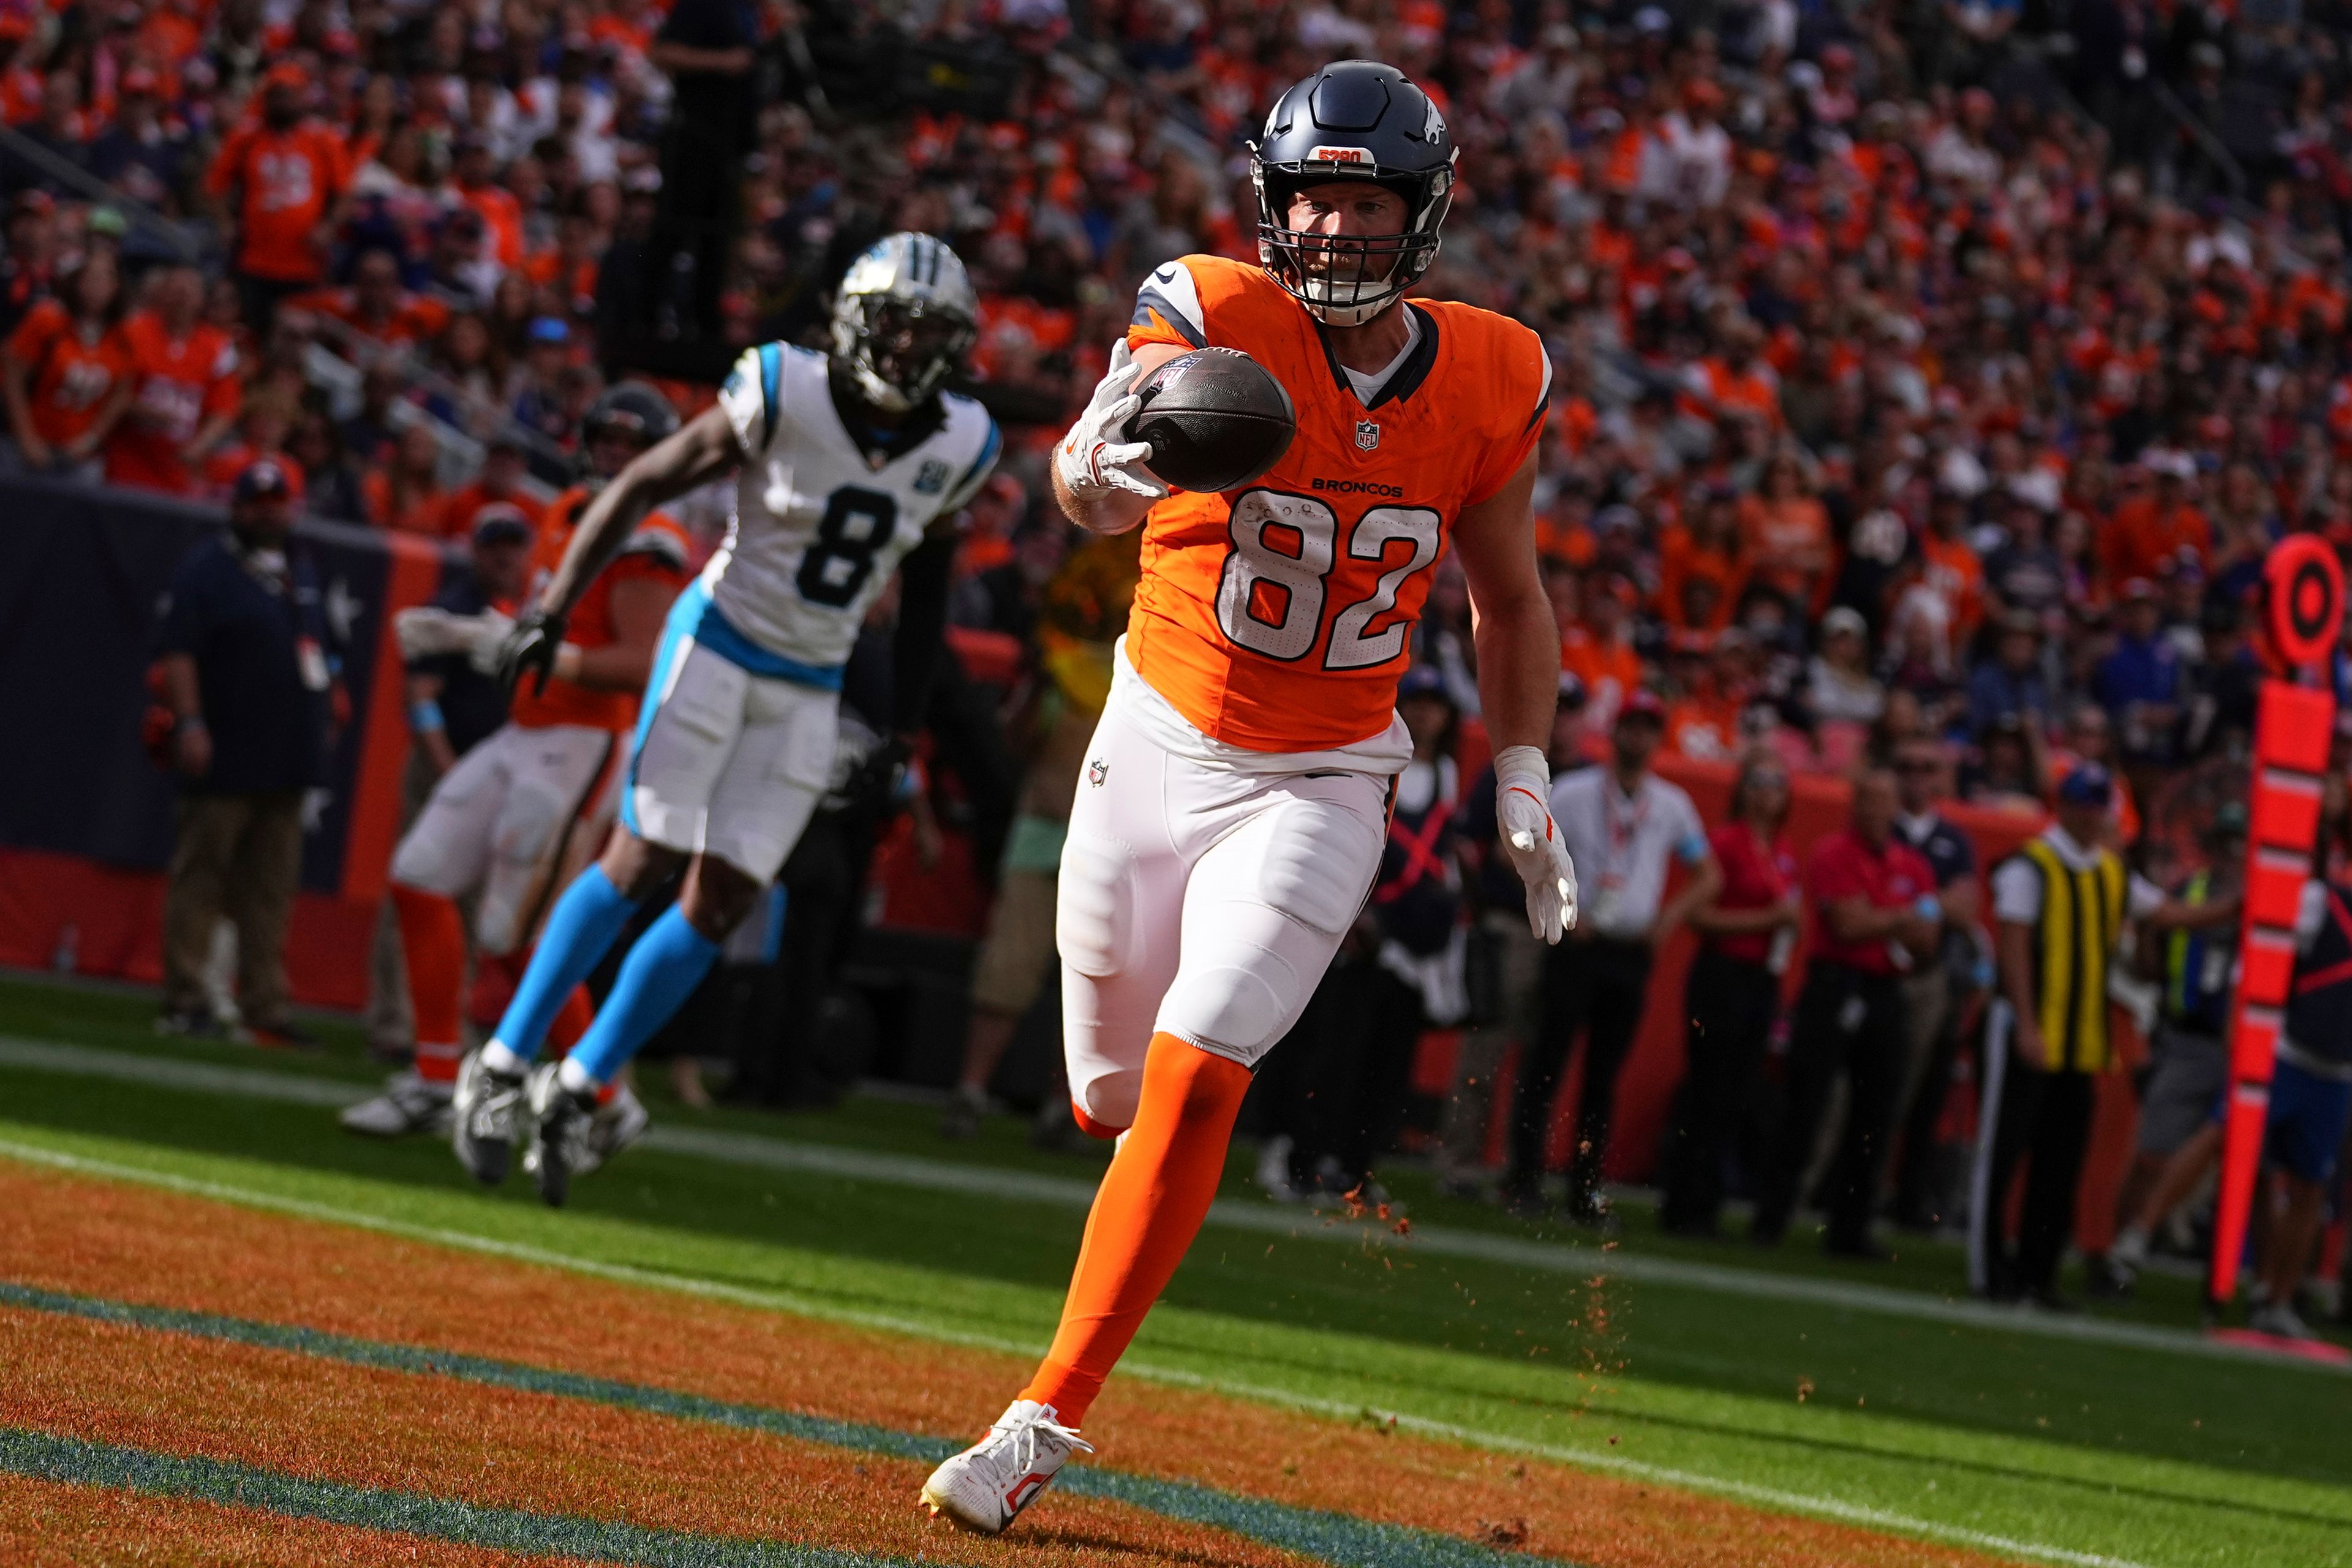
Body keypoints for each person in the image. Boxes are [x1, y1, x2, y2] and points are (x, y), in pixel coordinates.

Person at [919, 64, 1576, 1536]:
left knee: (1200, 1072)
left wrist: (1521, 767)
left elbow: (1512, 598)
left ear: (1421, 214)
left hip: (1326, 772)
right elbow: (1091, 475)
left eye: (1368, 201)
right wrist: (1100, 458)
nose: (1338, 229)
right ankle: (1116, 1193)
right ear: (1273, 206)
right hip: (1153, 738)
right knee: (1105, 1093)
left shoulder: (1490, 371)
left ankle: (1038, 1419)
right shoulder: (1211, 307)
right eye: (1317, 198)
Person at [453, 233, 998, 1204]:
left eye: (932, 336)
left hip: (809, 680)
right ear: (852, 323)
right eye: (897, 328)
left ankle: (583, 1085)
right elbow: (643, 481)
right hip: (717, 641)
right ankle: (499, 1062)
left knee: (726, 898)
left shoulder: (960, 442)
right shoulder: (782, 385)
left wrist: (908, 731)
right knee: (642, 858)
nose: (911, 352)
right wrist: (552, 603)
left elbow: (927, 588)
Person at [357, 385, 692, 1139]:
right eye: (603, 436)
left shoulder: (650, 535)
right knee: (419, 878)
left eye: (628, 443)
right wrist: (468, 632)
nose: (611, 452)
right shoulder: (572, 503)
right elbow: (544, 618)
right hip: (523, 732)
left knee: (512, 936)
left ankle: (606, 1099)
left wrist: (529, 652)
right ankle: (438, 1077)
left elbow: (642, 662)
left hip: (581, 746)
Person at [2113, 868, 2352, 1339]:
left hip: (2338, 1069)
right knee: (2223, 1132)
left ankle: (2278, 1298)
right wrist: (2241, 1026)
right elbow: (2263, 956)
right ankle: (2138, 1235)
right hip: (2286, 1050)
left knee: (2310, 1183)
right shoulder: (2324, 900)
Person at [346, 507, 535, 1104]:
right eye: (495, 546)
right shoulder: (453, 606)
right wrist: (450, 767)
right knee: (419, 887)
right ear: (475, 552)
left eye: (514, 546)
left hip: (503, 773)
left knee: (481, 905)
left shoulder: (526, 613)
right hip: (448, 769)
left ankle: (454, 1024)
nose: (505, 557)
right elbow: (420, 696)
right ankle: (394, 1021)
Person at [1970, 764, 2175, 1307]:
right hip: (2029, 1031)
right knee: (2005, 1152)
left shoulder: (2109, 871)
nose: (2091, 814)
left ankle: (2039, 1273)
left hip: (2081, 1041)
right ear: (2063, 805)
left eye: (2098, 804)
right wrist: (2028, 1022)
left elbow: (2169, 911)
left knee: (2061, 1165)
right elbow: (2013, 946)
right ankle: (1989, 1266)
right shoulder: (2032, 865)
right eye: (2083, 803)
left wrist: (2240, 907)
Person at [1510, 690, 1715, 1225]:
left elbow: (1707, 874)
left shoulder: (1671, 805)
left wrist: (1667, 922)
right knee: (1547, 1064)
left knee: (1603, 1078)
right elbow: (1527, 847)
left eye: (1649, 728)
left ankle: (1584, 1190)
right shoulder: (1576, 791)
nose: (1638, 738)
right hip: (1579, 945)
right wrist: (1562, 901)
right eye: (1632, 726)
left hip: (1629, 952)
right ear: (1616, 731)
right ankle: (1524, 1178)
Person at [153, 459, 333, 1044]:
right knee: (203, 877)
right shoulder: (206, 568)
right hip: (227, 746)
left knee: (271, 890)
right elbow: (178, 650)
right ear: (236, 508)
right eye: (257, 501)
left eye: (278, 500)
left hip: (288, 753)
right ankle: (186, 997)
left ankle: (264, 1005)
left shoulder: (301, 567)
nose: (268, 510)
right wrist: (191, 722)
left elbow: (317, 650)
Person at [1753, 766, 1940, 1257]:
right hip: (1835, 986)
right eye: (1867, 800)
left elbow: (1928, 939)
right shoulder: (1833, 852)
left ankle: (1850, 1228)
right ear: (1853, 806)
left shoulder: (1911, 863)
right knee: (1806, 1102)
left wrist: (1884, 920)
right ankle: (1772, 1215)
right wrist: (1901, 917)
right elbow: (1847, 926)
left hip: (1884, 990)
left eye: (1883, 801)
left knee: (1876, 1113)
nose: (1874, 810)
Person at [2095, 802, 2244, 1291]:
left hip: (2250, 1045)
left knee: (2262, 1169)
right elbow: (2149, 964)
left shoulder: (2279, 901)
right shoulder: (2190, 891)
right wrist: (2148, 942)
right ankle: (2116, 1253)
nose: (2234, 853)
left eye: (2243, 843)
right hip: (2189, 1037)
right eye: (2227, 843)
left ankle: (2265, 1281)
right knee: (2151, 1152)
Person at [1657, 750, 1800, 1237]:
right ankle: (1684, 1199)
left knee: (1738, 1092)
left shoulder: (1780, 848)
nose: (1767, 793)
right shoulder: (1727, 842)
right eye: (1758, 782)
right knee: (1708, 1088)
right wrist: (1768, 920)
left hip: (1762, 975)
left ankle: (1710, 1197)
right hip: (1724, 972)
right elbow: (1701, 918)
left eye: (1777, 784)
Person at [1886, 735, 1986, 1232]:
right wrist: (1931, 902)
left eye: (1927, 767)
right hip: (1879, 970)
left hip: (1932, 974)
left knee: (1927, 1090)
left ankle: (1909, 1197)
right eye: (1907, 766)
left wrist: (1913, 904)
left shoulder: (1953, 838)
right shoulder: (1882, 824)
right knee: (1873, 1086)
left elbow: (1965, 907)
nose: (1917, 777)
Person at [205, 61, 351, 333]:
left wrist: (329, 226)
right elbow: (214, 186)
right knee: (252, 329)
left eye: (289, 94)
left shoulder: (323, 139)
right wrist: (225, 224)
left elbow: (345, 193)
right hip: (254, 260)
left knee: (298, 333)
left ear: (302, 98)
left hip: (306, 262)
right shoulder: (247, 138)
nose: (282, 102)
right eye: (276, 94)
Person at [104, 261, 241, 496]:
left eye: (189, 293)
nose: (182, 299)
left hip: (179, 470)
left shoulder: (219, 348)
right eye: (176, 291)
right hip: (127, 460)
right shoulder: (133, 331)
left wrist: (199, 446)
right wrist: (140, 410)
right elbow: (110, 391)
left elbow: (225, 409)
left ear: (201, 300)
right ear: (162, 294)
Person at [3, 243, 127, 477]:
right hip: (27, 447)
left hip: (80, 456)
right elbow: (11, 376)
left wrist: (92, 439)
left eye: (106, 278)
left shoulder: (122, 336)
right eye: (91, 277)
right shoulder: (47, 319)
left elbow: (124, 390)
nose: (97, 286)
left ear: (117, 287)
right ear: (76, 281)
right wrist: (27, 437)